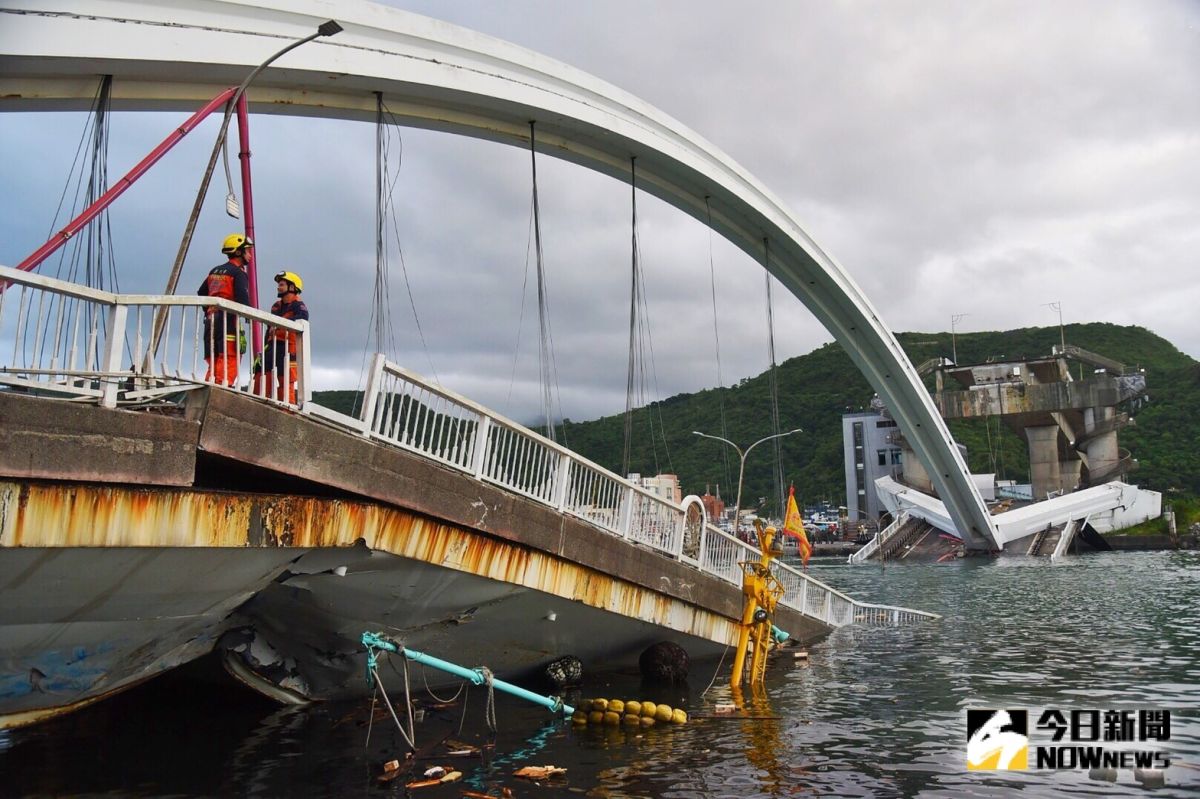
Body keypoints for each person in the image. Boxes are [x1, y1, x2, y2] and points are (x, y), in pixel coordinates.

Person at [198, 233, 252, 385]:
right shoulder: (238, 273)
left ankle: (211, 383)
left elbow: (201, 293)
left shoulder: (215, 271)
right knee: (230, 356)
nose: (250, 255)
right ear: (238, 252)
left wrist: (208, 311)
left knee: (214, 357)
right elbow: (242, 297)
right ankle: (222, 387)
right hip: (228, 321)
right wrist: (249, 316)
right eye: (247, 251)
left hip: (211, 320)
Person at [256, 270, 308, 404]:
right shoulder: (276, 306)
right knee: (261, 372)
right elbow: (269, 328)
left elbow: (303, 318)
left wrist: (280, 326)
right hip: (272, 345)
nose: (278, 287)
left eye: (282, 284)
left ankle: (286, 408)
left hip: (289, 348)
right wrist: (264, 347)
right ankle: (259, 401)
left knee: (286, 379)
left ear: (292, 287)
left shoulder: (298, 305)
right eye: (279, 284)